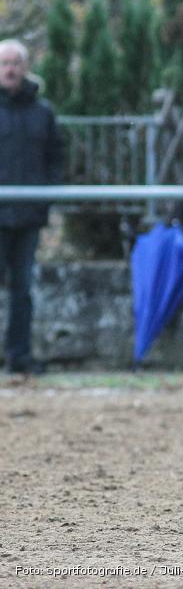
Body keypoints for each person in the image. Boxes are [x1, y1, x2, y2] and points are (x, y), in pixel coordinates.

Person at [0, 39, 63, 374]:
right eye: (4, 63)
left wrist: (46, 198)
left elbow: (56, 160)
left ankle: (18, 355)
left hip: (28, 217)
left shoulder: (43, 113)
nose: (9, 69)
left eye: (15, 63)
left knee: (23, 290)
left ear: (25, 68)